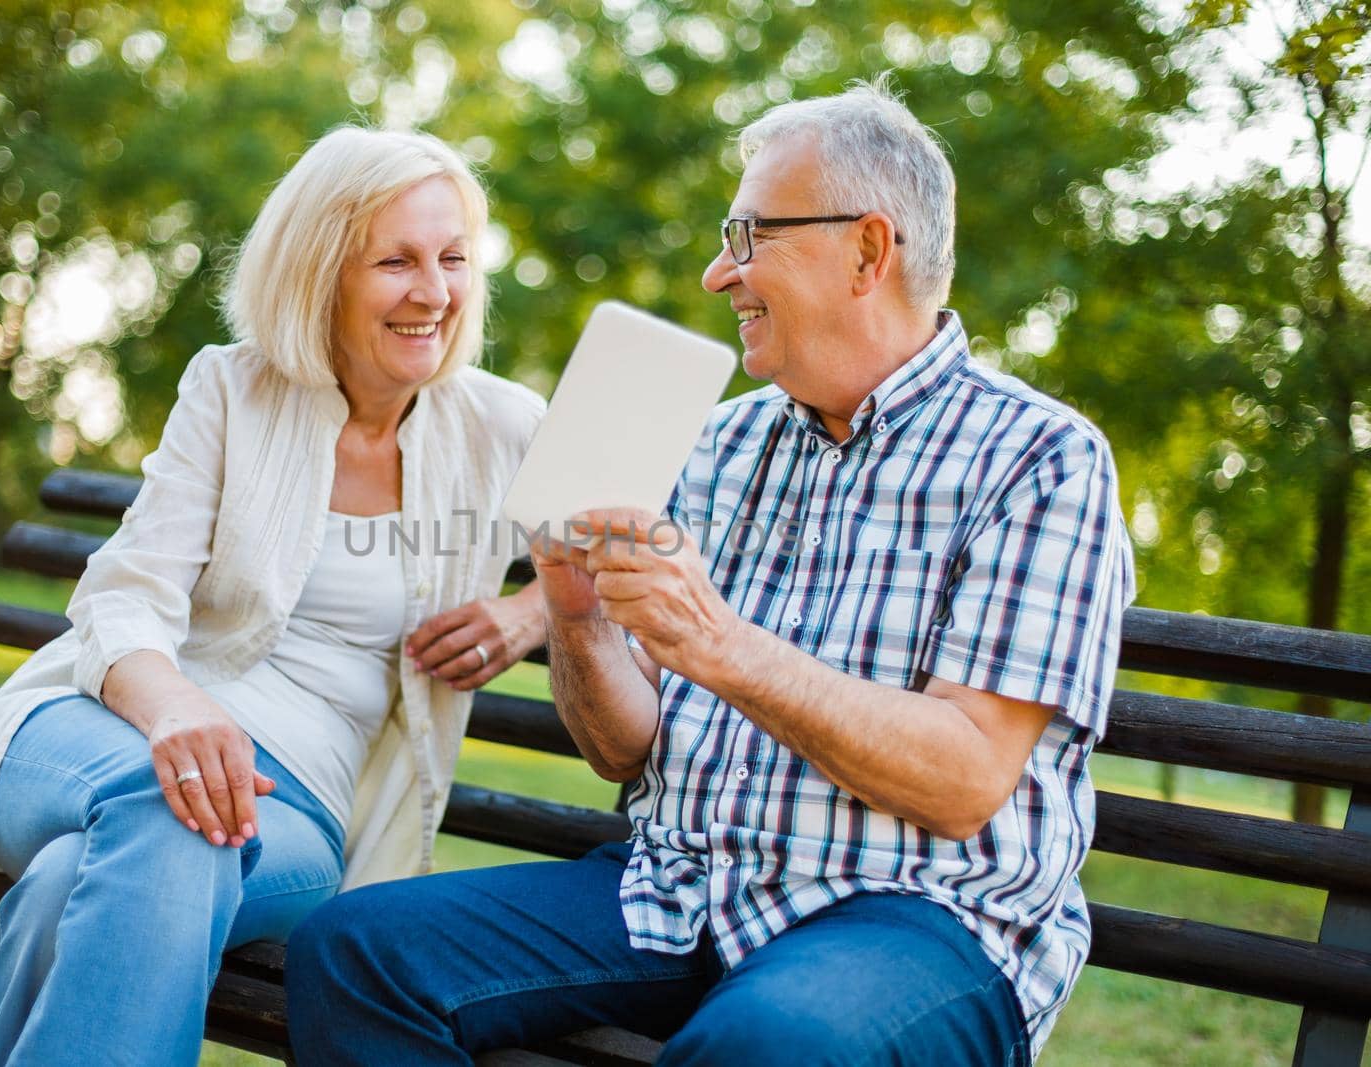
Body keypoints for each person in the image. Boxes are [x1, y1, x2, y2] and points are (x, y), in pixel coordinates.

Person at [284, 79, 1136, 1065]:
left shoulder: (1038, 459)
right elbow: (624, 751)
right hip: (678, 889)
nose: (714, 274)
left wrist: (720, 644)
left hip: (920, 918)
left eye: (747, 236)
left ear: (866, 250)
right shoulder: (717, 444)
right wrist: (576, 617)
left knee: (764, 1043)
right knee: (355, 951)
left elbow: (962, 779)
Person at [0, 126, 549, 1066]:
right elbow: (125, 593)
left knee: (84, 879)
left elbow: (655, 539)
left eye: (454, 259)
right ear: (321, 273)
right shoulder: (231, 389)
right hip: (110, 731)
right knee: (161, 798)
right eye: (396, 260)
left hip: (296, 807)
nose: (433, 291)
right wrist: (176, 709)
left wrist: (530, 611)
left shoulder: (501, 425)